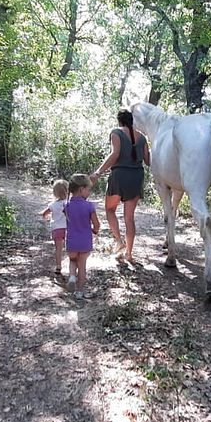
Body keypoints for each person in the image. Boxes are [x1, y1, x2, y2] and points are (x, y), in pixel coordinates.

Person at [90, 108, 149, 264]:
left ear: (119, 121)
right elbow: (148, 161)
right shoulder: (142, 137)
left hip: (119, 176)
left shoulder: (116, 132)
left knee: (110, 210)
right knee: (129, 218)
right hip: (136, 177)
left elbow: (115, 154)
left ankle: (119, 241)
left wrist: (98, 172)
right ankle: (129, 253)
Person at [64, 173, 100, 299]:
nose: (89, 192)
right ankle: (79, 292)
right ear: (81, 189)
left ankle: (72, 277)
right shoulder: (89, 206)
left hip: (71, 241)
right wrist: (95, 230)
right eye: (88, 189)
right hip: (84, 242)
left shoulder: (67, 206)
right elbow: (97, 224)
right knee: (82, 267)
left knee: (72, 260)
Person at [40, 179, 68, 275]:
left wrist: (46, 218)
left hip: (56, 229)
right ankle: (73, 264)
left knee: (58, 249)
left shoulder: (53, 205)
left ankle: (58, 266)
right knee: (70, 248)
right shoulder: (69, 203)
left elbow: (44, 213)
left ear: (55, 193)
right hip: (68, 229)